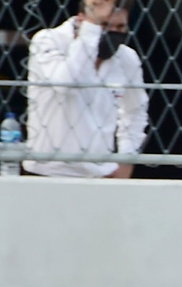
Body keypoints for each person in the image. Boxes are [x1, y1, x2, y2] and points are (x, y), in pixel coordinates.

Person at [22, 0, 147, 178]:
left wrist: (126, 159)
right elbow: (65, 85)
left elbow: (136, 111)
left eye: (120, 27)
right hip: (47, 171)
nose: (113, 33)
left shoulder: (126, 58)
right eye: (104, 25)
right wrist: (90, 31)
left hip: (100, 173)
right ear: (82, 20)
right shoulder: (48, 41)